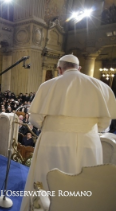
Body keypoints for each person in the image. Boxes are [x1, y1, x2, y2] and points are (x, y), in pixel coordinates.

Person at [20, 54, 116, 211]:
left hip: (53, 142)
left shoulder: (48, 85)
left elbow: (36, 120)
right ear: (79, 68)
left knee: (47, 184)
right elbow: (105, 124)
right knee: (85, 186)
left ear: (59, 69)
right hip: (89, 143)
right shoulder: (100, 86)